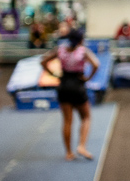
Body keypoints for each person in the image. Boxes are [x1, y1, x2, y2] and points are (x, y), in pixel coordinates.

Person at [41, 29, 99, 161]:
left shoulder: (60, 50)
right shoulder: (82, 51)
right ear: (81, 39)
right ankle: (82, 146)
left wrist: (53, 74)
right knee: (86, 117)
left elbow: (43, 62)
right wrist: (88, 78)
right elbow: (96, 64)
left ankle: (68, 153)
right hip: (77, 84)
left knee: (67, 120)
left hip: (63, 84)